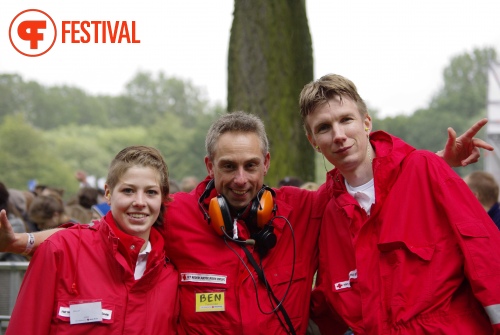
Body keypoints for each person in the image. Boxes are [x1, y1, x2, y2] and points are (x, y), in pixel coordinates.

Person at [0, 112, 493, 335]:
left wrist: (433, 163)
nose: (240, 179)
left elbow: (369, 186)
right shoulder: (176, 215)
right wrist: (24, 239)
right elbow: (106, 231)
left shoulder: (305, 208)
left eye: (250, 166)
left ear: (267, 163)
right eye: (228, 166)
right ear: (209, 164)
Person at [300, 74, 500, 334]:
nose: (338, 135)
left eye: (346, 120)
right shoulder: (327, 209)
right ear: (313, 141)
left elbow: (485, 253)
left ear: (366, 122)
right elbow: (329, 301)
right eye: (324, 127)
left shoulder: (424, 169)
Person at [5, 145, 179, 335]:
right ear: (108, 193)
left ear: (162, 198)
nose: (139, 201)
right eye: (128, 190)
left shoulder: (171, 273)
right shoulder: (60, 250)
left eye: (151, 192)